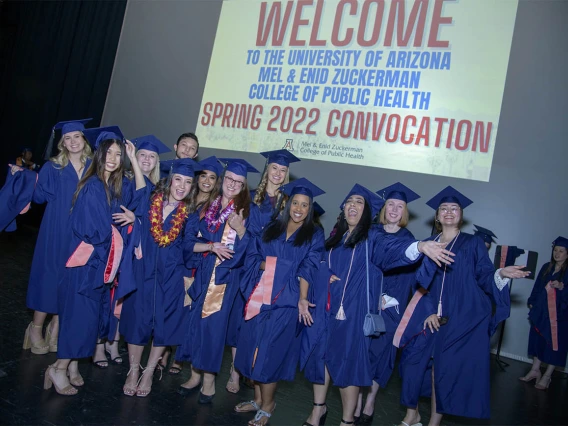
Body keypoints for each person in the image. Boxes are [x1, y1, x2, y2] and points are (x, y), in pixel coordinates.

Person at [301, 184, 454, 426]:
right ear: (343, 208)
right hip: (326, 308)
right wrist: (324, 273)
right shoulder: (335, 237)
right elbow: (317, 262)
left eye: (360, 202)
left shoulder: (372, 238)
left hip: (352, 312)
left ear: (368, 212)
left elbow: (393, 250)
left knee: (347, 365)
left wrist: (420, 246)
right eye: (350, 201)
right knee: (320, 359)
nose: (353, 205)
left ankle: (347, 420)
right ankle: (318, 409)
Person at [395, 186, 529, 426]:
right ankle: (411, 414)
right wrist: (429, 311)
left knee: (442, 371)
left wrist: (500, 273)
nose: (448, 212)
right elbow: (420, 283)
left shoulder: (472, 243)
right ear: (437, 216)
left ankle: (433, 423)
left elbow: (484, 275)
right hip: (428, 315)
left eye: (454, 208)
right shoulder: (426, 244)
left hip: (459, 318)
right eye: (443, 208)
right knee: (412, 364)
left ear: (461, 215)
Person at [43, 126, 142, 395]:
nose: (112, 157)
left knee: (88, 320)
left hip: (98, 265)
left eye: (118, 154)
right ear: (98, 154)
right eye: (108, 152)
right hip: (86, 266)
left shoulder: (111, 185)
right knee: (78, 319)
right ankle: (58, 368)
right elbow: (97, 231)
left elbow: (140, 201)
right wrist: (117, 234)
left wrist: (134, 160)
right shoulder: (94, 186)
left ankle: (72, 366)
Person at [234, 178, 325, 426]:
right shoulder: (272, 227)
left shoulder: (314, 234)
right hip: (261, 296)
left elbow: (308, 266)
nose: (299, 208)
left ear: (310, 209)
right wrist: (274, 265)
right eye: (295, 202)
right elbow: (253, 255)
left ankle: (268, 404)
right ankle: (256, 399)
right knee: (254, 347)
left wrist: (303, 298)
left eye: (304, 205)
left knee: (269, 353)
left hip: (286, 301)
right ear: (288, 204)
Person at [118, 158, 204, 397]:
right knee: (137, 320)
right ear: (169, 180)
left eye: (188, 182)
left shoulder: (189, 215)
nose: (182, 186)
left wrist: (210, 246)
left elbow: (189, 245)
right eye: (178, 179)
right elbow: (139, 224)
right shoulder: (149, 201)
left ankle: (149, 372)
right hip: (143, 271)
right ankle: (134, 370)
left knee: (164, 325)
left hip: (172, 275)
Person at [177, 159, 258, 404]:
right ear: (222, 180)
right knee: (194, 324)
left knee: (213, 328)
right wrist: (211, 246)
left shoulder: (246, 212)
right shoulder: (205, 207)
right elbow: (188, 242)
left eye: (239, 182)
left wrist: (240, 230)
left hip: (225, 276)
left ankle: (209, 382)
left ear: (244, 187)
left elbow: (253, 249)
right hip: (202, 271)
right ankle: (194, 376)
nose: (233, 184)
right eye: (230, 179)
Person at [226, 149, 300, 394]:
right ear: (267, 170)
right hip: (250, 266)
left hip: (274, 272)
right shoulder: (249, 200)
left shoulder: (289, 202)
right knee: (242, 320)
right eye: (274, 168)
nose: (278, 174)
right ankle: (235, 373)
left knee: (261, 326)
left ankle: (254, 370)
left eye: (283, 170)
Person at [20, 119, 92, 356]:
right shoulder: (53, 167)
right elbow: (38, 198)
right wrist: (24, 177)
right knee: (49, 278)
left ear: (84, 139)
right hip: (55, 230)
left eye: (77, 137)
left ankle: (56, 330)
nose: (72, 142)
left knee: (69, 282)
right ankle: (36, 327)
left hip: (80, 233)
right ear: (62, 142)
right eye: (67, 138)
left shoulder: (94, 167)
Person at [354, 182, 421, 425]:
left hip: (390, 309)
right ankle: (358, 401)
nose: (394, 209)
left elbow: (406, 277)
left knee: (380, 356)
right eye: (390, 204)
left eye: (399, 206)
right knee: (361, 353)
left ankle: (370, 401)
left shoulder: (408, 239)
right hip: (364, 304)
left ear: (405, 212)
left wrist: (388, 297)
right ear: (384, 208)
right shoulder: (369, 232)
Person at [166, 156, 224, 376]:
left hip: (197, 263)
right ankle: (166, 353)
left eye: (212, 177)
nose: (207, 181)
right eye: (203, 176)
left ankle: (181, 357)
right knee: (174, 308)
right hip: (174, 258)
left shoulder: (217, 206)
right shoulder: (184, 197)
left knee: (189, 311)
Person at [520, 236, 568, 390]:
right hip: (541, 312)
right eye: (555, 250)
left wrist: (562, 287)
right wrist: (532, 301)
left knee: (554, 345)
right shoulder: (547, 266)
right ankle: (535, 371)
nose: (557, 253)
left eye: (561, 251)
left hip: (559, 315)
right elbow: (537, 287)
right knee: (537, 340)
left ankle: (547, 376)